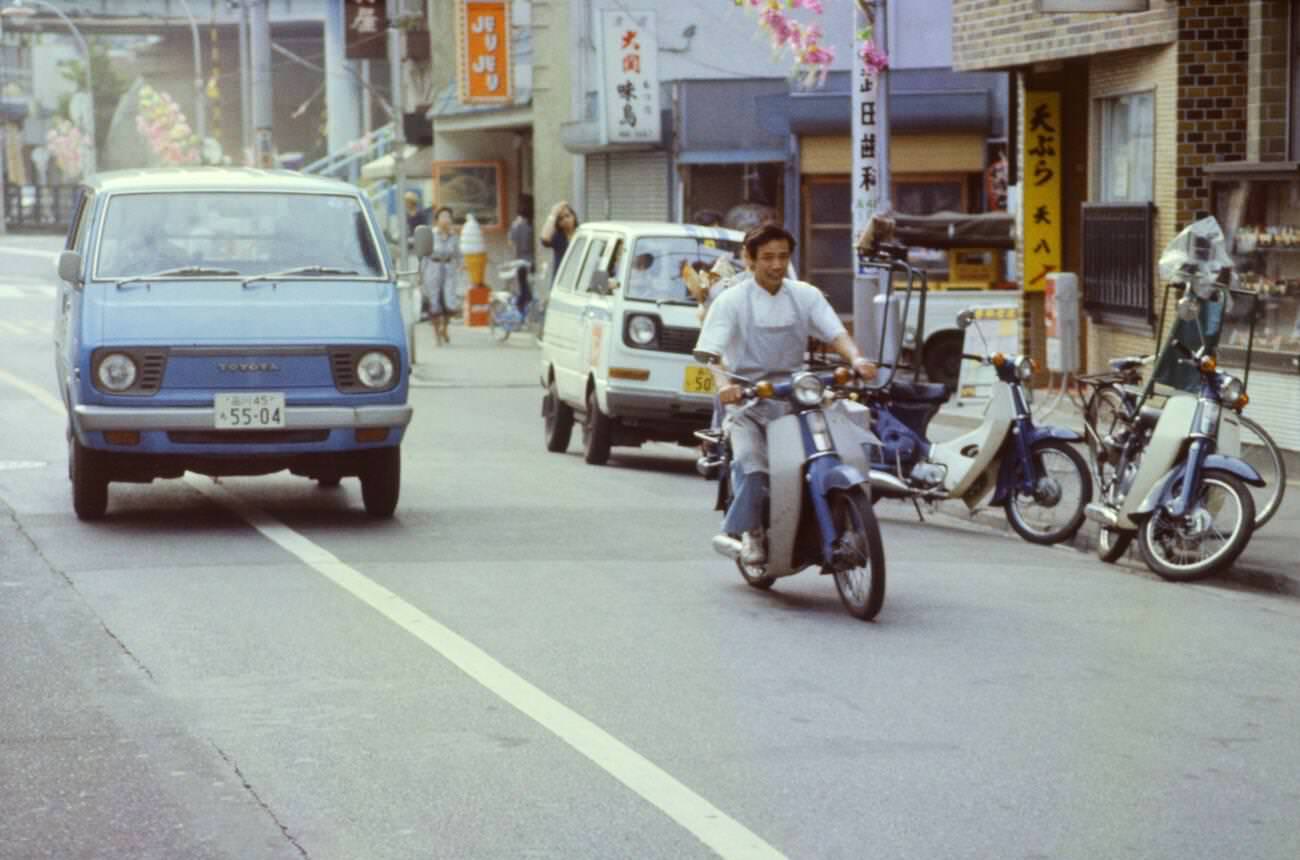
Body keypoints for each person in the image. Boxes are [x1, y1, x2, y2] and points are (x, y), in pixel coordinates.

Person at [694, 223, 877, 565]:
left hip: (797, 397)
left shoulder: (805, 294)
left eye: (782, 256)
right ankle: (751, 532)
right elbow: (713, 353)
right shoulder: (731, 300)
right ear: (749, 260)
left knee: (843, 450)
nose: (776, 265)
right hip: (748, 401)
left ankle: (847, 523)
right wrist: (725, 387)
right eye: (767, 258)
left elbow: (835, 332)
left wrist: (858, 359)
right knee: (754, 469)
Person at [419, 206, 462, 346]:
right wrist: (421, 274)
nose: (446, 219)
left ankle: (445, 327)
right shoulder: (431, 234)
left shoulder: (454, 236)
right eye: (442, 216)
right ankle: (437, 333)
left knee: (449, 303)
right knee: (434, 302)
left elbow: (458, 253)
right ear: (437, 220)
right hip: (433, 268)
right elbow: (424, 255)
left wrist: (461, 265)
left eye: (448, 217)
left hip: (449, 269)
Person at [540, 200, 579, 287]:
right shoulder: (558, 237)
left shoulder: (582, 234)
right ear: (558, 223)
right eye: (561, 218)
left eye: (567, 216)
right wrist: (553, 213)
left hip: (579, 284)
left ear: (574, 217)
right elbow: (544, 238)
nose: (565, 220)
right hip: (561, 284)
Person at [507, 194, 535, 313]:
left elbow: (511, 243)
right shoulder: (531, 223)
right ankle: (523, 309)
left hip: (519, 260)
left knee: (523, 286)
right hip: (531, 259)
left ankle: (520, 309)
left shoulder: (516, 224)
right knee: (527, 287)